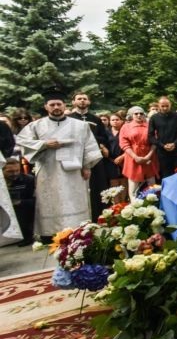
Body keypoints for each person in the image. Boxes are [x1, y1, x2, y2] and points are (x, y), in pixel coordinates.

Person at [15, 89, 102, 240]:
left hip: (73, 171)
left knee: (75, 200)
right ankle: (49, 233)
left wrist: (87, 166)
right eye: (52, 104)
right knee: (49, 201)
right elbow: (22, 141)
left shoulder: (80, 125)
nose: (56, 107)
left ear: (64, 105)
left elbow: (89, 145)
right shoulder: (36, 126)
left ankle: (79, 229)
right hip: (48, 171)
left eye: (59, 104)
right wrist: (44, 144)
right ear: (46, 107)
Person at [69, 91, 111, 222]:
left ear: (89, 102)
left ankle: (98, 216)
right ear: (73, 102)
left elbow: (104, 137)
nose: (82, 101)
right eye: (79, 99)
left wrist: (93, 139)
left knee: (97, 186)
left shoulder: (96, 119)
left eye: (84, 99)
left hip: (94, 157)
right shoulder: (69, 119)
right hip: (75, 158)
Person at [120, 106, 159, 198]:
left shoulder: (150, 125)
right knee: (133, 184)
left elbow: (155, 141)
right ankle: (134, 206)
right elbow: (124, 143)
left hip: (149, 155)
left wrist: (148, 156)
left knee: (151, 183)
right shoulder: (126, 127)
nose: (139, 115)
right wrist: (135, 157)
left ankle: (153, 205)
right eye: (136, 113)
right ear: (131, 115)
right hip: (133, 157)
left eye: (141, 113)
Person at [148, 96, 177, 180]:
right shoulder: (154, 118)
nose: (165, 108)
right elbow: (150, 136)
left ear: (170, 105)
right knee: (166, 176)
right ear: (158, 105)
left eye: (167, 106)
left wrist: (175, 143)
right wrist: (162, 145)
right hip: (162, 152)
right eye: (162, 106)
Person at [3, 157, 35, 246]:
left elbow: (36, 202)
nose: (15, 174)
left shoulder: (29, 180)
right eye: (10, 172)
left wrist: (20, 202)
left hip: (23, 211)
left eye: (17, 170)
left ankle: (27, 236)